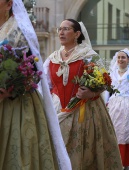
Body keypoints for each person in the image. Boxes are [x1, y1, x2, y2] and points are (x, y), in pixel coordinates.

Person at [0, 0, 72, 169]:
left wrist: (10, 90)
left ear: (9, 4)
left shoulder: (20, 31)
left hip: (16, 103)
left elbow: (33, 70)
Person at [43, 19, 123, 170]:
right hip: (57, 108)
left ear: (77, 34)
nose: (61, 32)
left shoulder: (88, 55)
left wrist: (92, 92)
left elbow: (105, 81)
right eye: (60, 29)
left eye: (66, 29)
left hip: (84, 110)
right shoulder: (52, 58)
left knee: (81, 151)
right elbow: (46, 85)